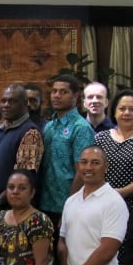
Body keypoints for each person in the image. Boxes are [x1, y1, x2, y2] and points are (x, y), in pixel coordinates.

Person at [40, 75, 95, 223]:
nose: (57, 95)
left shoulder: (80, 128)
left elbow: (83, 171)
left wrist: (69, 208)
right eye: (54, 91)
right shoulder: (49, 126)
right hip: (44, 203)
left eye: (63, 92)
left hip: (66, 206)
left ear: (76, 96)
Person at [0, 84, 43, 212]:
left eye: (12, 101)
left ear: (25, 103)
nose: (6, 105)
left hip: (13, 207)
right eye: (3, 101)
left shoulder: (31, 132)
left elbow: (25, 175)